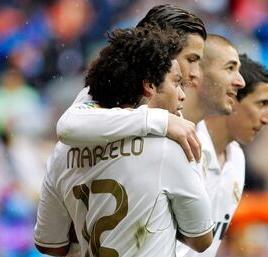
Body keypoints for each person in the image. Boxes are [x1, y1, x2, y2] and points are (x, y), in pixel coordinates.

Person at [34, 25, 214, 257]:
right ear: (149, 85)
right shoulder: (167, 147)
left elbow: (49, 243)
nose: (183, 92)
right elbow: (201, 239)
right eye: (176, 82)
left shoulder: (64, 150)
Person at [57, 4, 207, 162]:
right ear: (162, 50)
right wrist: (160, 120)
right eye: (191, 60)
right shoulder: (110, 86)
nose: (195, 74)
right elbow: (68, 126)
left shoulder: (180, 109)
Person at [175, 53, 268, 257]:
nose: (267, 118)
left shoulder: (237, 160)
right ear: (233, 99)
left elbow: (205, 253)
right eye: (261, 104)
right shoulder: (184, 144)